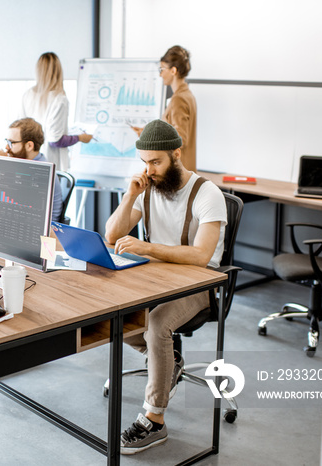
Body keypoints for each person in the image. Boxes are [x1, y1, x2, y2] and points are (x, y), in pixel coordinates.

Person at [104, 120, 226, 455]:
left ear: (176, 153)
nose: (149, 170)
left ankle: (154, 420)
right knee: (111, 309)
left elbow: (202, 256)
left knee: (156, 324)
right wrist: (131, 195)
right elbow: (112, 235)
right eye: (144, 162)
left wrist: (148, 248)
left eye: (155, 162)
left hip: (198, 285)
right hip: (155, 279)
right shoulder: (149, 187)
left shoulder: (208, 194)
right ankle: (167, 360)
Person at [18, 51, 93, 171]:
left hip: (30, 160)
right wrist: (81, 138)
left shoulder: (28, 95)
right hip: (50, 162)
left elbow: (20, 130)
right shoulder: (59, 99)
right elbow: (55, 140)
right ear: (58, 72)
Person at [132, 46, 197, 172]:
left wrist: (154, 141)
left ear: (173, 70)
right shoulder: (187, 94)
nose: (160, 74)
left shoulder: (179, 99)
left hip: (178, 171)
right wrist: (147, 133)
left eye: (162, 69)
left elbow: (180, 139)